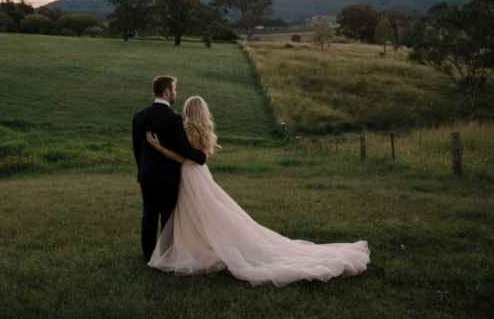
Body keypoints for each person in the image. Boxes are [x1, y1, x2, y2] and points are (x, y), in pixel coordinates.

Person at [145, 96, 370, 287]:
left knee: (195, 213)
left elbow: (181, 157)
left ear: (188, 111)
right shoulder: (205, 129)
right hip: (202, 175)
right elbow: (200, 156)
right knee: (207, 212)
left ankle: (197, 250)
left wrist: (158, 147)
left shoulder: (187, 131)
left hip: (189, 175)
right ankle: (206, 247)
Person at [132, 76, 207, 262]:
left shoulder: (138, 116)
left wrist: (143, 168)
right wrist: (201, 157)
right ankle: (165, 254)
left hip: (147, 174)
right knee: (167, 215)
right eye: (174, 90)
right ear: (167, 92)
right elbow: (182, 149)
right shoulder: (173, 119)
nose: (175, 93)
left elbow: (136, 148)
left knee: (149, 214)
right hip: (168, 176)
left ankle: (148, 255)